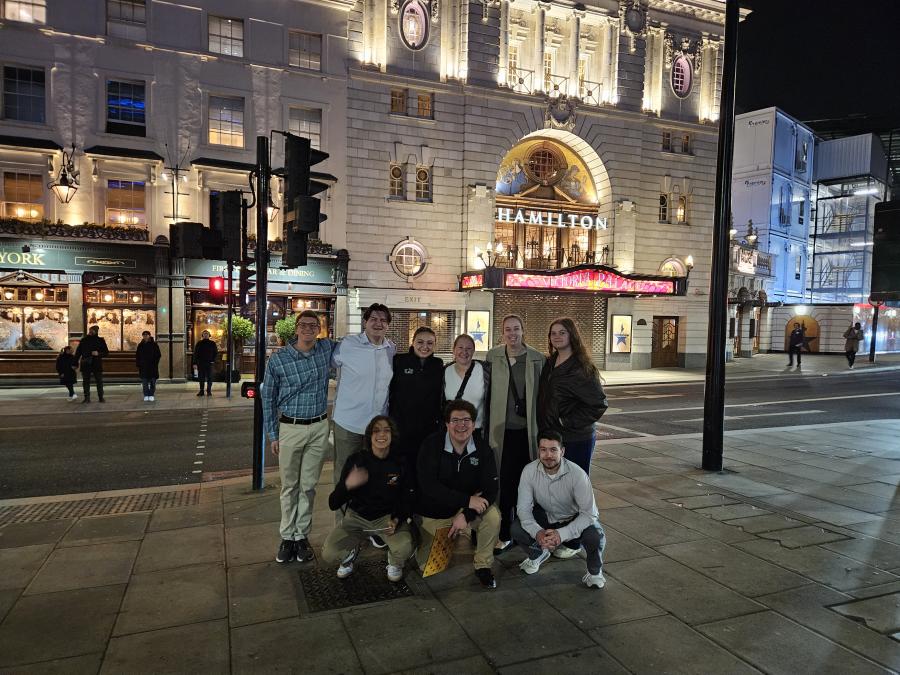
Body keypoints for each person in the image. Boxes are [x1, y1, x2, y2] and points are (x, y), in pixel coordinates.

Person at [261, 310, 337, 564]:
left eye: (313, 325)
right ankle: (287, 537)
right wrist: (273, 435)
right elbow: (268, 399)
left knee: (308, 487)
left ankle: (301, 536)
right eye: (303, 325)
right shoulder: (278, 359)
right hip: (290, 428)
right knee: (289, 487)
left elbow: (355, 347)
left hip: (318, 427)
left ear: (319, 329)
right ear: (296, 328)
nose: (308, 329)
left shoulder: (325, 349)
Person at [416, 399, 501, 588]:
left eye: (466, 420)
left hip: (464, 510)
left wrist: (466, 513)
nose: (461, 425)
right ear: (447, 424)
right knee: (427, 566)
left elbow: (491, 489)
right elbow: (428, 486)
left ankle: (483, 566)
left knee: (493, 516)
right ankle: (421, 538)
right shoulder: (431, 445)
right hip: (436, 511)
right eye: (455, 420)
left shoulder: (482, 449)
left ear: (474, 424)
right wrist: (467, 499)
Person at [322, 416, 415, 582]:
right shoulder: (357, 461)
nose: (382, 435)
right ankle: (349, 555)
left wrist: (397, 519)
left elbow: (407, 497)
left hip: (386, 519)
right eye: (376, 430)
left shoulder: (400, 462)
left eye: (386, 430)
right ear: (369, 436)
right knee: (329, 554)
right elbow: (333, 503)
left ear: (392, 435)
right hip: (356, 519)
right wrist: (348, 485)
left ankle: (394, 562)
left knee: (404, 547)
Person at [511, 430, 607, 589]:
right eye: (543, 449)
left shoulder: (577, 474)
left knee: (595, 536)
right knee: (516, 528)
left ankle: (594, 572)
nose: (548, 455)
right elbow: (523, 509)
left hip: (574, 518)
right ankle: (538, 554)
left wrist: (562, 534)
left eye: (553, 449)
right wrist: (538, 533)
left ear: (562, 451)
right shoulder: (529, 471)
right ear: (539, 451)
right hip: (548, 517)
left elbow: (590, 513)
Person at [485, 314, 545, 554]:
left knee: (528, 483)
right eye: (508, 330)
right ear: (502, 333)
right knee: (504, 483)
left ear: (523, 331)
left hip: (527, 433)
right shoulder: (493, 356)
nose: (512, 334)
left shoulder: (537, 359)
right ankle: (505, 532)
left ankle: (531, 528)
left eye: (516, 329)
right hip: (501, 433)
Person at [331, 303, 396, 492]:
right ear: (365, 322)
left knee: (373, 475)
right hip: (348, 423)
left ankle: (366, 519)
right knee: (345, 476)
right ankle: (343, 520)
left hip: (376, 427)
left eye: (383, 320)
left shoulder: (390, 349)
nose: (378, 323)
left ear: (388, 325)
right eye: (374, 319)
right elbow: (329, 364)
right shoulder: (348, 345)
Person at [537, 318, 608, 475]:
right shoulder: (549, 363)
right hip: (552, 437)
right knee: (555, 485)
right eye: (553, 333)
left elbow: (598, 404)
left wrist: (565, 421)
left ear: (572, 335)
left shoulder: (581, 367)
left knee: (576, 485)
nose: (557, 336)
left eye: (562, 332)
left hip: (576, 438)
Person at [389, 326, 444, 476]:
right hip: (401, 429)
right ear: (412, 342)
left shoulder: (438, 365)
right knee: (401, 471)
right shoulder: (399, 362)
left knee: (424, 469)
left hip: (428, 431)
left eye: (430, 343)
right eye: (420, 342)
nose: (425, 347)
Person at [442, 334, 491, 440]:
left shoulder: (484, 371)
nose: (464, 352)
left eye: (469, 348)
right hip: (452, 432)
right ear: (454, 350)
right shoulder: (445, 372)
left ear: (473, 351)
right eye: (460, 348)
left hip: (476, 431)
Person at [75, 325, 109, 403]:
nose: (91, 331)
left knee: (99, 381)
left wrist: (98, 354)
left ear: (96, 331)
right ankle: (87, 398)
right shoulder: (84, 340)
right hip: (86, 363)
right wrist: (75, 363)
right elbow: (78, 352)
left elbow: (106, 353)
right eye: (90, 330)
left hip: (96, 363)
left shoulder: (100, 340)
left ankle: (101, 397)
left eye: (93, 330)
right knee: (86, 381)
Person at [135, 331, 162, 402]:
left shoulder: (154, 345)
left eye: (146, 335)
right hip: (143, 367)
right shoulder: (140, 345)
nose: (145, 336)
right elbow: (137, 356)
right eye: (144, 335)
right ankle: (146, 395)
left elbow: (158, 355)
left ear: (149, 336)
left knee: (153, 382)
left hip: (152, 367)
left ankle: (151, 394)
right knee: (145, 382)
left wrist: (155, 363)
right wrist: (139, 364)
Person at [193, 329, 218, 396]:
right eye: (204, 334)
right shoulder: (199, 343)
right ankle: (201, 391)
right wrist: (194, 363)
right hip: (201, 363)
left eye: (207, 333)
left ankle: (209, 391)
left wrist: (213, 360)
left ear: (209, 335)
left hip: (209, 363)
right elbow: (195, 353)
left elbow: (215, 353)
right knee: (201, 378)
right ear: (202, 335)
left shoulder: (212, 343)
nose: (205, 335)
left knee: (210, 377)